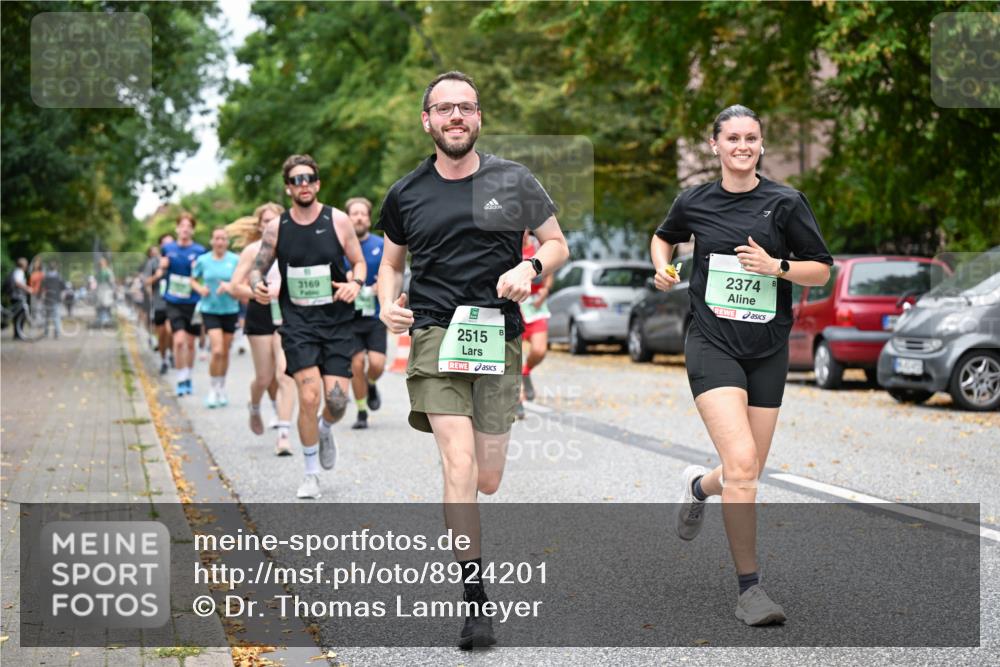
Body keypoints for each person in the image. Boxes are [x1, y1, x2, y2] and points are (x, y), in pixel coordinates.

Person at [377, 71, 569, 650]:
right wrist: (388, 304)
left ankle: (463, 489)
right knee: (458, 464)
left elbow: (557, 243)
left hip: (497, 334)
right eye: (444, 108)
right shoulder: (406, 193)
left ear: (478, 118)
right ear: (427, 120)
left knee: (487, 477)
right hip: (435, 335)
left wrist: (529, 267)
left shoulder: (514, 179)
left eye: (465, 108)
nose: (455, 117)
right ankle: (476, 601)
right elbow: (390, 264)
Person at [650, 104, 833, 627]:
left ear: (760, 144)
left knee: (742, 469)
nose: (742, 146)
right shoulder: (695, 201)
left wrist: (775, 266)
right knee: (746, 468)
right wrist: (662, 267)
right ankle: (750, 591)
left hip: (768, 349)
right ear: (715, 145)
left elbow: (820, 270)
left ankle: (696, 487)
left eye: (751, 138)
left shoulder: (785, 202)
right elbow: (665, 236)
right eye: (732, 138)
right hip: (712, 342)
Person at [249, 155, 366, 499]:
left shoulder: (339, 220)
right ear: (288, 187)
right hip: (298, 323)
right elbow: (259, 266)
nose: (303, 185)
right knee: (309, 395)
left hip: (338, 321)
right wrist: (258, 284)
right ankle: (311, 473)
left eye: (309, 178)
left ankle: (326, 428)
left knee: (338, 400)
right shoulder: (277, 228)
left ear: (317, 184)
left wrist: (355, 284)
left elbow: (358, 262)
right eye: (296, 180)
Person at [228, 206, 296, 456]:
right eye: (265, 221)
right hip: (261, 314)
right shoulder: (252, 251)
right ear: (258, 226)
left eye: (274, 220)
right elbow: (236, 287)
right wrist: (257, 292)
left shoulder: (292, 246)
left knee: (285, 374)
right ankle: (255, 405)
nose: (269, 225)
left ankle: (284, 435)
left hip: (287, 315)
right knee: (264, 378)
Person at [343, 196, 387, 430]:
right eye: (354, 213)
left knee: (377, 364)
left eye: (363, 213)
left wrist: (385, 287)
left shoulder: (380, 245)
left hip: (375, 314)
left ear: (368, 219)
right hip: (349, 317)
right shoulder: (340, 246)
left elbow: (393, 273)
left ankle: (371, 384)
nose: (359, 217)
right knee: (356, 363)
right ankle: (361, 411)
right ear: (348, 219)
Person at [190, 227, 241, 408]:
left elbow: (241, 282)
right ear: (212, 241)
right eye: (217, 238)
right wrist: (200, 289)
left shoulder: (235, 260)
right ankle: (212, 389)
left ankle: (221, 387)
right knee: (217, 350)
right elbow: (192, 279)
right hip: (209, 309)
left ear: (227, 242)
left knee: (225, 351)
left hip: (230, 309)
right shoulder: (203, 260)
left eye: (223, 239)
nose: (220, 242)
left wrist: (229, 286)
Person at [160, 212, 206, 397]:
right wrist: (163, 266)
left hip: (193, 302)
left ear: (192, 230)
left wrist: (198, 268)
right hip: (174, 300)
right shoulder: (168, 248)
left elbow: (203, 276)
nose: (185, 229)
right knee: (179, 342)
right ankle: (180, 378)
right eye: (182, 226)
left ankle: (188, 375)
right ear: (177, 228)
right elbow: (163, 269)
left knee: (190, 343)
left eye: (189, 226)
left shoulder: (200, 251)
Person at [516, 230, 554, 418]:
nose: (522, 234)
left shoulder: (537, 245)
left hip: (536, 305)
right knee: (512, 356)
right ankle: (518, 399)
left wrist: (545, 291)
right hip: (515, 305)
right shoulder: (508, 244)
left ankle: (526, 371)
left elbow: (549, 270)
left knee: (539, 350)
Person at [146, 234, 175, 374]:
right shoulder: (153, 262)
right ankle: (164, 359)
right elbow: (146, 282)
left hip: (174, 303)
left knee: (171, 331)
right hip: (159, 303)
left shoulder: (177, 259)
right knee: (162, 334)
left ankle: (172, 354)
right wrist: (157, 275)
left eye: (171, 243)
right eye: (165, 244)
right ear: (161, 246)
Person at [41, 263, 63, 338]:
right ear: (55, 268)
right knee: (56, 316)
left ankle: (46, 333)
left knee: (47, 316)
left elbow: (42, 287)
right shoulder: (58, 276)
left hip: (48, 298)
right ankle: (57, 333)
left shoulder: (46, 277)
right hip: (56, 298)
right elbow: (63, 286)